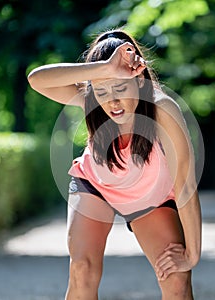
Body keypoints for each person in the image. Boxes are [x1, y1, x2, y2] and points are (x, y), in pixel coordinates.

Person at [27, 28, 202, 300]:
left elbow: (185, 184)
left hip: (149, 196)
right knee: (82, 270)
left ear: (138, 78)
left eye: (120, 88)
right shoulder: (92, 98)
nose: (112, 102)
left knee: (175, 277)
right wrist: (104, 70)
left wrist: (192, 255)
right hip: (95, 185)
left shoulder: (162, 108)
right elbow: (37, 79)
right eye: (102, 91)